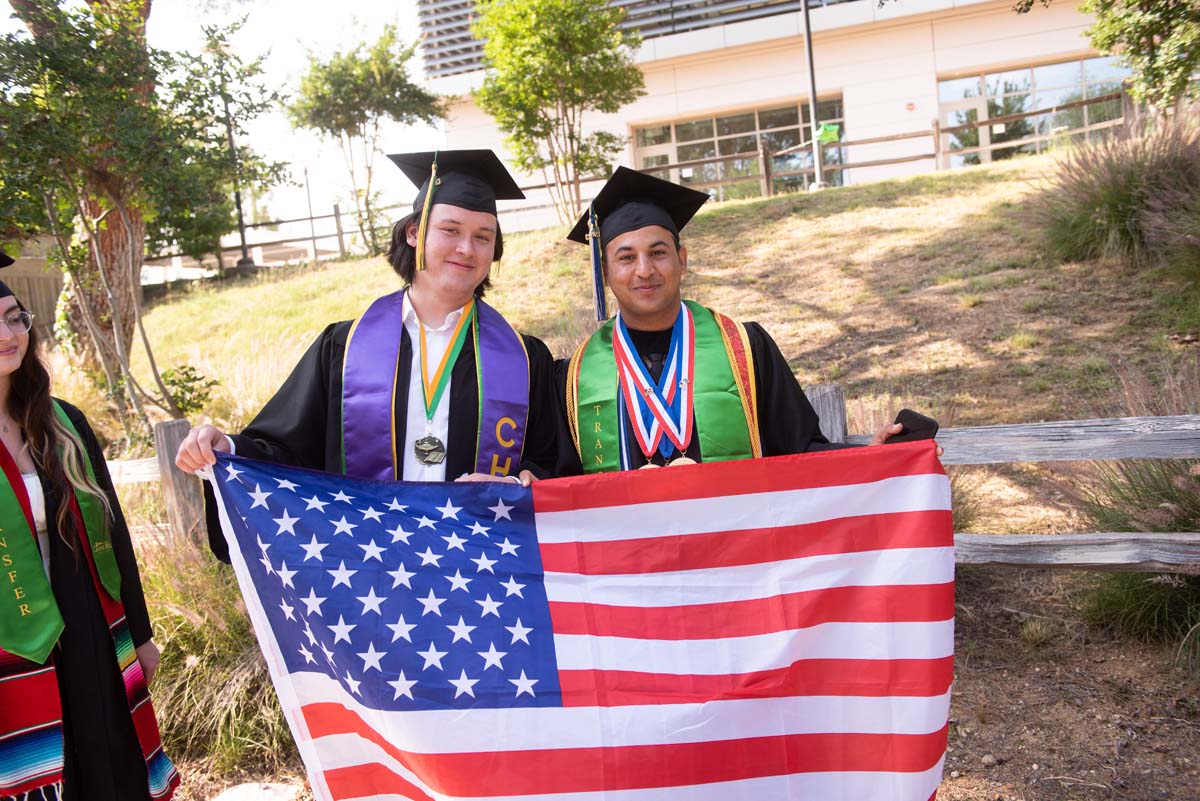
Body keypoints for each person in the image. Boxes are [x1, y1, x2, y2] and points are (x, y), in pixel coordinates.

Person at [175, 150, 558, 560]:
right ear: (414, 233)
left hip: (480, 565)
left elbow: (553, 466)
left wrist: (518, 485)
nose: (467, 248)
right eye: (450, 230)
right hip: (368, 567)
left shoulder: (525, 359)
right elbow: (287, 452)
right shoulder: (343, 348)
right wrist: (227, 451)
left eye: (483, 236)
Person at [557, 167, 914, 474]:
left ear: (682, 259)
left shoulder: (746, 348)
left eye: (658, 252)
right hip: (627, 552)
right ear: (605, 273)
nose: (645, 270)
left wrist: (871, 458)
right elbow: (563, 486)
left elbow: (801, 453)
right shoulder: (576, 377)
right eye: (626, 258)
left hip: (737, 550)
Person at [0, 249, 179, 801]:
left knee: (105, 763)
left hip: (87, 629)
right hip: (10, 640)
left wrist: (140, 635)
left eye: (13, 317)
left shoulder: (62, 423)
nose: (7, 333)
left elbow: (115, 535)